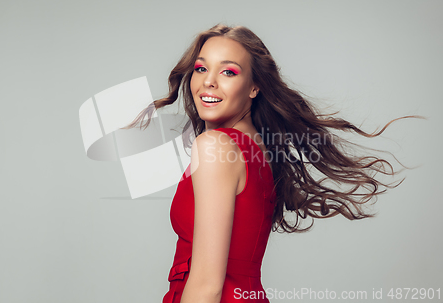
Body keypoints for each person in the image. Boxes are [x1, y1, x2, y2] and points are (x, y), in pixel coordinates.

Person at [123, 24, 420, 302]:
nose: (208, 82)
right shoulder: (257, 149)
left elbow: (207, 285)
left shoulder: (215, 146)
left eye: (228, 72)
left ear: (254, 87)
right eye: (201, 68)